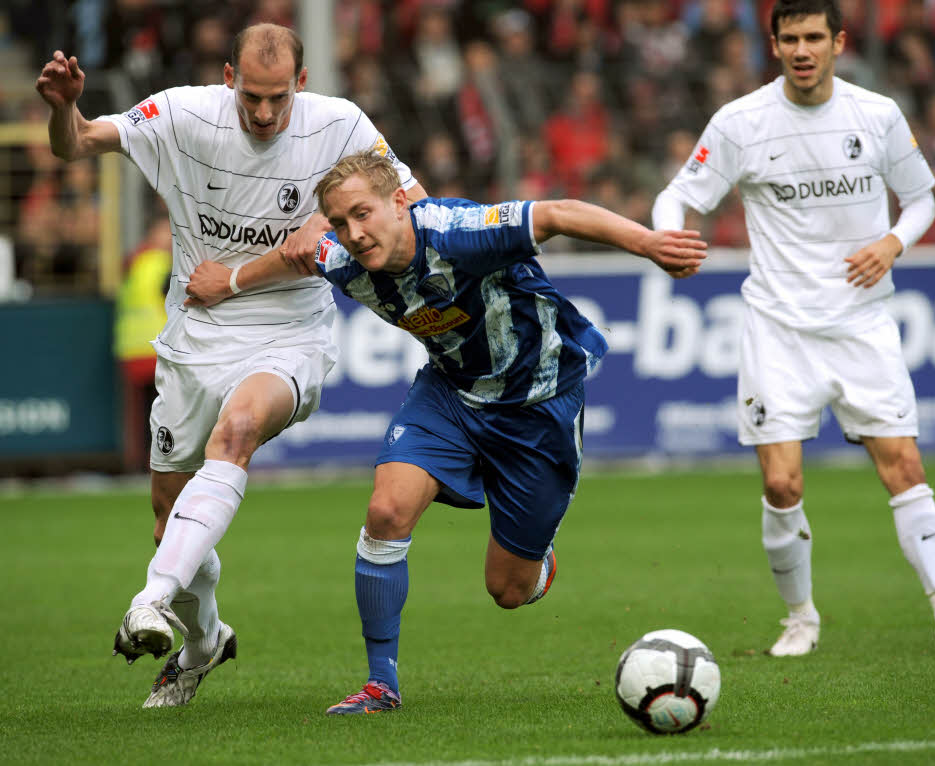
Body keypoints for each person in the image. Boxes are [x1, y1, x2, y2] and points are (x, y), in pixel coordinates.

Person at [183, 150, 709, 714]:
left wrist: (649, 244)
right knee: (386, 511)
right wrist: (230, 281)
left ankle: (538, 561)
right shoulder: (346, 258)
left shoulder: (459, 234)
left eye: (362, 214)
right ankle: (381, 684)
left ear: (400, 201)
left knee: (507, 590)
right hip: (451, 394)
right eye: (339, 222)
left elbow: (557, 213)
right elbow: (299, 256)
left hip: (540, 405)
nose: (353, 234)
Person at [35, 23, 427, 708]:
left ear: (302, 85)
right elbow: (79, 144)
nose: (266, 114)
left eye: (279, 98)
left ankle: (149, 600)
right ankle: (205, 640)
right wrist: (62, 109)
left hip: (289, 334)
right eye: (252, 97)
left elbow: (411, 206)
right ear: (228, 77)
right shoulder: (181, 114)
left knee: (238, 430)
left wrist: (336, 232)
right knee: (167, 517)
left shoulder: (342, 126)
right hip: (194, 335)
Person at [652, 0, 935, 657]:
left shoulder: (877, 115)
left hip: (861, 323)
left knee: (905, 466)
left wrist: (892, 244)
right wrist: (668, 233)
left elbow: (922, 199)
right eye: (790, 38)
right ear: (774, 44)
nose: (803, 49)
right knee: (782, 484)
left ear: (838, 41)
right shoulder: (742, 122)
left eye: (815, 37)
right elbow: (680, 193)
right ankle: (801, 617)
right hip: (778, 327)